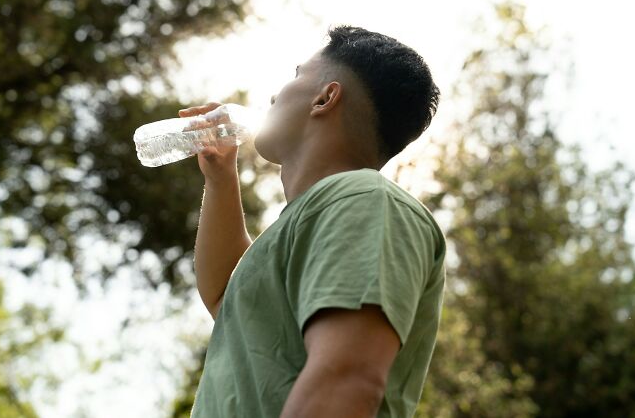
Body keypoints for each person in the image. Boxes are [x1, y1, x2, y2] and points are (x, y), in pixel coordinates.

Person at [180, 26, 446, 418]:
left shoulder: (365, 200)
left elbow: (345, 379)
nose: (274, 95)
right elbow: (227, 296)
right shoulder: (315, 217)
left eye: (295, 75)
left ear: (325, 97)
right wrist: (221, 178)